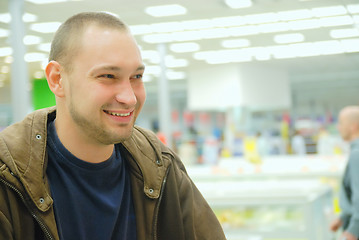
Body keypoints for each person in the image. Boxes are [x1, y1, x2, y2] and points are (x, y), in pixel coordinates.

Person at [0, 12, 226, 240]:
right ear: (57, 79)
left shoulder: (159, 164)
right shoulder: (8, 175)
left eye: (136, 76)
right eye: (108, 76)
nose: (130, 98)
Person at [330, 106, 359, 240]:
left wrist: (353, 231)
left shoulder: (356, 153)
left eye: (341, 122)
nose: (338, 127)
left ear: (354, 126)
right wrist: (343, 217)